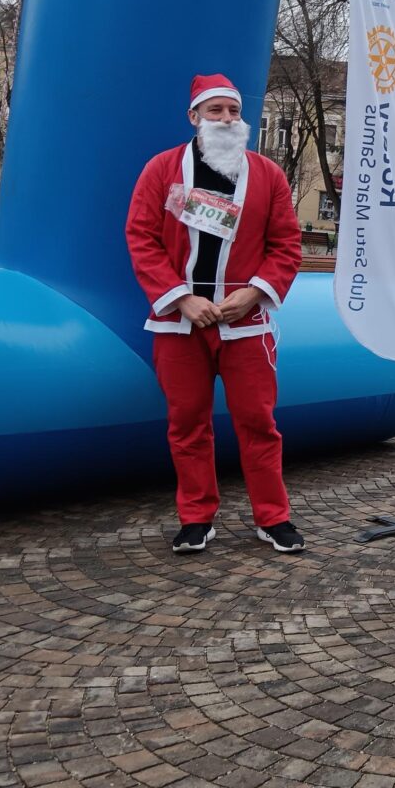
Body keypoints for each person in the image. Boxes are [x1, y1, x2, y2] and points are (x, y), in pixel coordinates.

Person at [126, 73, 305, 554]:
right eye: (215, 110)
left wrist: (254, 293)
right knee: (187, 424)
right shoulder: (161, 170)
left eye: (234, 111)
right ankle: (196, 518)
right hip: (179, 322)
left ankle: (273, 517)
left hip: (245, 323)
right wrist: (181, 297)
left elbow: (286, 245)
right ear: (194, 117)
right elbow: (141, 237)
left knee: (258, 423)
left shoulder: (268, 175)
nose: (226, 118)